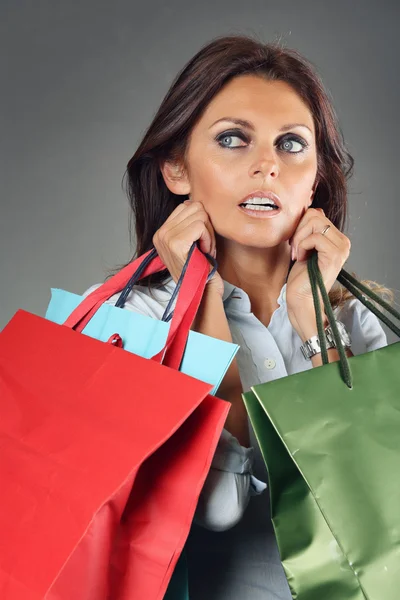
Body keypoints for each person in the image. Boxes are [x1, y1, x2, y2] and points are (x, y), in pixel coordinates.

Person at [84, 35, 389, 599]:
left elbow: (371, 512)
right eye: (232, 139)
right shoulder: (129, 322)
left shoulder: (356, 325)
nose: (268, 165)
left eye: (292, 144)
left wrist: (314, 322)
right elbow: (216, 507)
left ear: (316, 177)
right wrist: (200, 299)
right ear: (176, 168)